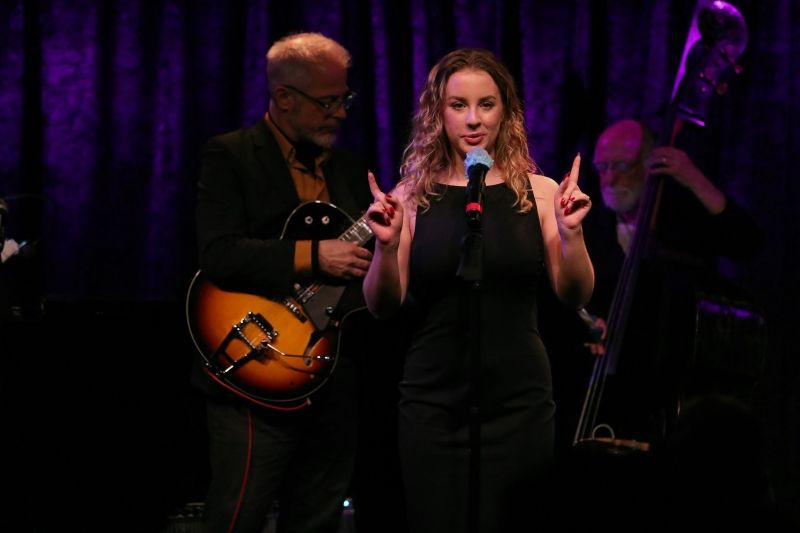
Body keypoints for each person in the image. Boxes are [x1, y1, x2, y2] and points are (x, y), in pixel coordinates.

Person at [362, 48, 595, 533]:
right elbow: (382, 305)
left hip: (519, 402)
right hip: (434, 402)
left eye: (486, 104)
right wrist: (385, 248)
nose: (473, 119)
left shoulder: (542, 191)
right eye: (458, 105)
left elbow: (574, 294)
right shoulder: (410, 194)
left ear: (505, 110)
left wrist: (571, 234)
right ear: (437, 112)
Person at [193, 32, 374, 533]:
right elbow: (219, 254)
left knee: (317, 519)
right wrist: (315, 256)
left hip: (331, 370)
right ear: (284, 98)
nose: (340, 112)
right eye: (328, 101)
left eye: (345, 98)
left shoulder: (352, 167)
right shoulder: (231, 155)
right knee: (238, 517)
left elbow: (366, 268)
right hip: (255, 363)